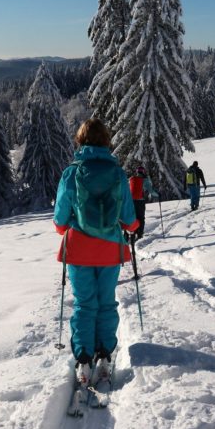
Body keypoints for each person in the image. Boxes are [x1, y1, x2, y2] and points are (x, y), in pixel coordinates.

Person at [53, 118, 139, 388]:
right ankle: (105, 354)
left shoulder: (72, 172)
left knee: (84, 304)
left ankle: (84, 359)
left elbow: (60, 221)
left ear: (80, 141)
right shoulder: (117, 172)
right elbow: (128, 219)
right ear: (106, 141)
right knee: (106, 302)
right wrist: (132, 226)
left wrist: (69, 225)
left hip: (78, 250)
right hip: (109, 250)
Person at [129, 165, 159, 240]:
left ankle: (133, 232)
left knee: (134, 218)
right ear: (143, 172)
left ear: (137, 172)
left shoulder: (131, 179)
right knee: (141, 218)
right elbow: (151, 191)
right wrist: (158, 194)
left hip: (131, 202)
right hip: (140, 201)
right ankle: (140, 234)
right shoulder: (144, 180)